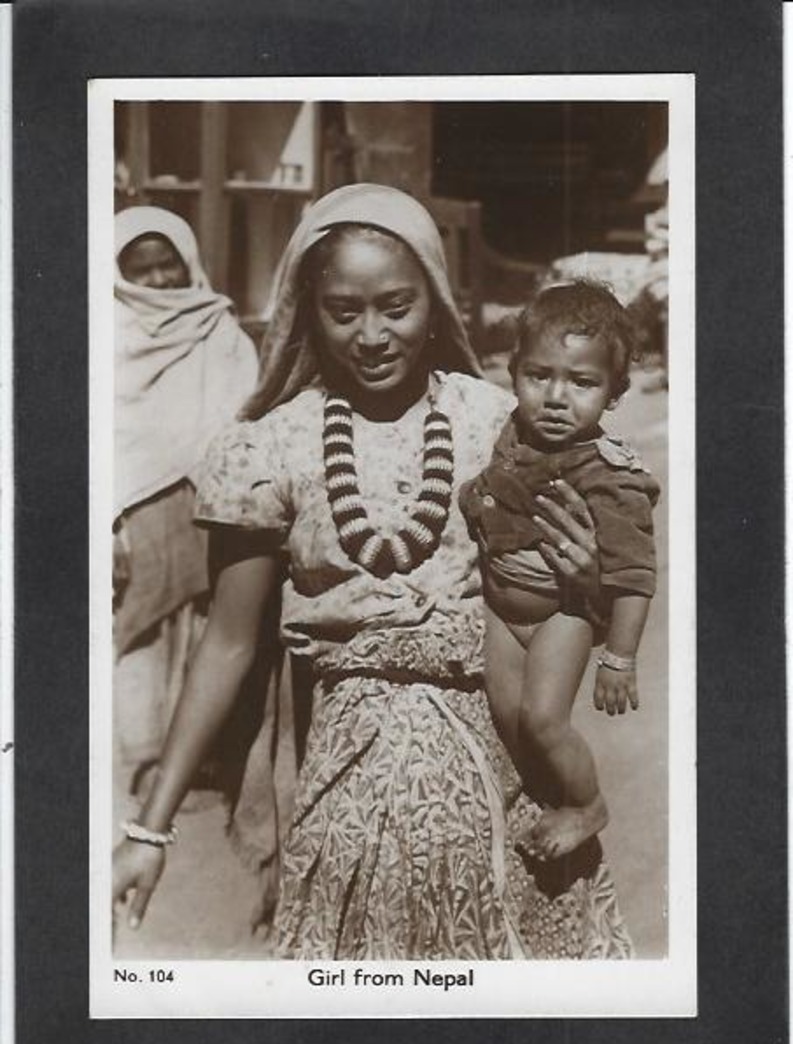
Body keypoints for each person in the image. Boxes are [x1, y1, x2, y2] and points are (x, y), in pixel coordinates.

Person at [113, 184, 633, 960]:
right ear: (306, 308)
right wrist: (147, 829)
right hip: (351, 775)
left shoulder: (501, 423)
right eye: (343, 310)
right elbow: (226, 645)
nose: (372, 335)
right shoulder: (269, 448)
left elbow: (562, 589)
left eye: (396, 305)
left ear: (436, 299)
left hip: (502, 763)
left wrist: (587, 581)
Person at [460, 281, 660, 861]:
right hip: (503, 610)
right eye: (538, 375)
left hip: (561, 614)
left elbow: (634, 574)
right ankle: (544, 796)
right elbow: (500, 487)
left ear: (614, 392)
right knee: (507, 717)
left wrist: (619, 657)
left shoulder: (608, 475)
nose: (554, 397)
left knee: (544, 719)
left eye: (582, 382)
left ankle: (588, 803)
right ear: (513, 370)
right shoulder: (513, 431)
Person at [113, 206, 258, 800]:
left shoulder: (220, 329)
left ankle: (198, 753)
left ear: (188, 262)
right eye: (140, 269)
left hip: (211, 497)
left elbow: (246, 410)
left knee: (210, 628)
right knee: (140, 633)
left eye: (167, 264)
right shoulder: (104, 332)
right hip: (134, 509)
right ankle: (148, 757)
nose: (158, 280)